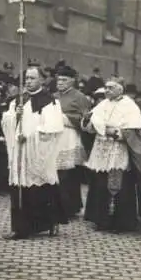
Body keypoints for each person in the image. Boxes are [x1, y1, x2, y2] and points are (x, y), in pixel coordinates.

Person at [1, 65, 67, 240]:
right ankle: (20, 227)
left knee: (40, 185)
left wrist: (30, 137)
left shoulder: (50, 102)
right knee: (19, 186)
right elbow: (6, 120)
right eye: (27, 78)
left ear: (41, 80)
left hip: (38, 151)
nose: (28, 81)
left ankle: (49, 223)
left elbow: (52, 128)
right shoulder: (18, 100)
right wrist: (14, 115)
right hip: (20, 150)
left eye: (32, 78)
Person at [81, 77, 141, 233]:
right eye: (106, 87)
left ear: (120, 89)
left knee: (120, 185)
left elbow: (135, 130)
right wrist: (87, 122)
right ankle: (101, 220)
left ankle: (120, 223)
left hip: (118, 150)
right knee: (100, 183)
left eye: (111, 87)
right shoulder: (102, 104)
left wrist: (116, 133)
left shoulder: (130, 106)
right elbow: (90, 126)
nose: (107, 90)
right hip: (101, 149)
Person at [54, 66, 92, 219]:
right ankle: (59, 205)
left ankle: (71, 206)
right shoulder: (54, 96)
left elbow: (86, 119)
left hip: (70, 136)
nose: (60, 82)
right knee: (58, 173)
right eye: (59, 79)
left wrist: (65, 118)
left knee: (69, 174)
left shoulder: (80, 97)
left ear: (72, 81)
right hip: (56, 136)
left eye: (64, 80)